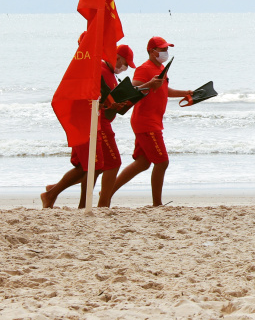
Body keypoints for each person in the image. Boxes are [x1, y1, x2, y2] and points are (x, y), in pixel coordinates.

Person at [42, 43, 137, 208]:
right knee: (100, 164)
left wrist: (117, 105)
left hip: (97, 121)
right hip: (92, 123)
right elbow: (89, 98)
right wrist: (108, 105)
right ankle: (91, 204)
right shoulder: (99, 70)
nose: (125, 68)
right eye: (125, 63)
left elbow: (102, 103)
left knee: (87, 167)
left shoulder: (108, 74)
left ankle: (54, 193)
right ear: (117, 57)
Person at [110, 37, 194, 206]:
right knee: (162, 162)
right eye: (161, 49)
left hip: (153, 121)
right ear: (151, 51)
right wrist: (148, 84)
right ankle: (157, 204)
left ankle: (107, 191)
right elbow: (131, 90)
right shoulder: (144, 69)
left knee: (142, 163)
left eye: (166, 49)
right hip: (146, 122)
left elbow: (164, 90)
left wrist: (186, 92)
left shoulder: (161, 68)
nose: (164, 52)